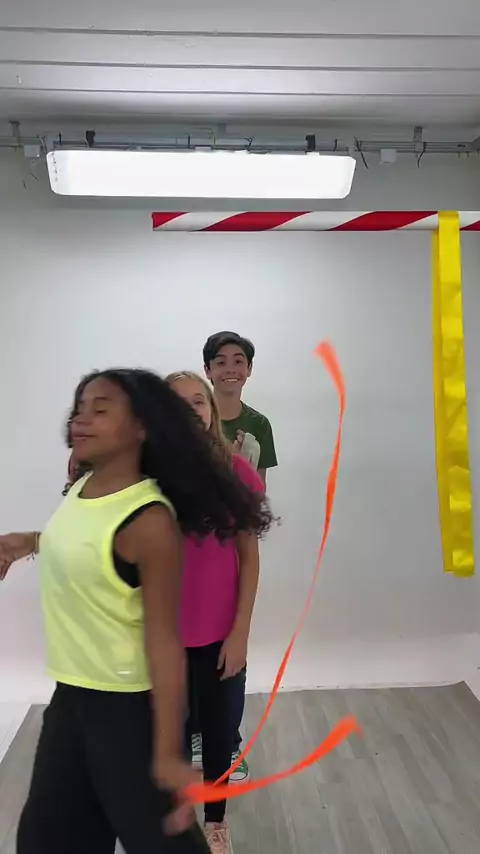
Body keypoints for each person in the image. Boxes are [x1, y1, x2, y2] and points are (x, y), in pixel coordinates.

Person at [0, 368, 273, 854]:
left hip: (129, 701)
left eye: (101, 409)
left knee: (166, 830)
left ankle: (215, 821)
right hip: (74, 697)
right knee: (48, 838)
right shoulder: (90, 487)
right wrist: (28, 542)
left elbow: (165, 639)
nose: (81, 419)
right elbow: (90, 541)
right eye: (80, 408)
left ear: (142, 426)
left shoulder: (151, 516)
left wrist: (168, 754)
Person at [167, 372, 266, 854]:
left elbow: (249, 557)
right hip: (161, 639)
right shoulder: (143, 478)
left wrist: (240, 632)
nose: (190, 411)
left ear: (210, 411)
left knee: (219, 733)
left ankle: (216, 820)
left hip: (219, 636)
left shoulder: (237, 474)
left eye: (197, 402)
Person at [202, 331, 277, 782]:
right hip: (190, 555)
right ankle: (196, 735)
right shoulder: (192, 419)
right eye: (221, 361)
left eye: (238, 360)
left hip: (232, 552)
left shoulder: (258, 425)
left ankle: (227, 742)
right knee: (190, 651)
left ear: (248, 369)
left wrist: (238, 469)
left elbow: (257, 497)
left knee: (231, 645)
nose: (230, 368)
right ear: (208, 369)